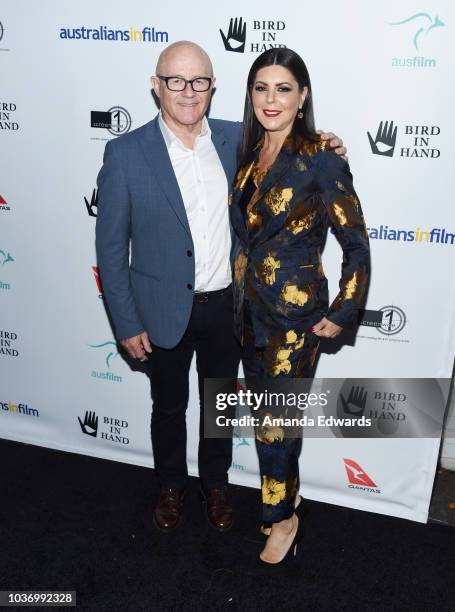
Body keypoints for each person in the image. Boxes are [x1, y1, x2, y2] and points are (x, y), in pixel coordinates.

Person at [95, 40, 347, 534]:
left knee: (218, 408)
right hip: (161, 310)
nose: (188, 92)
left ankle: (216, 485)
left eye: (199, 81)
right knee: (168, 407)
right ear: (156, 85)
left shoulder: (240, 142)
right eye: (176, 81)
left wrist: (328, 146)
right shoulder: (124, 154)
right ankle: (171, 485)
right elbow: (109, 250)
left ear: (213, 87)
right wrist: (126, 321)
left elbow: (293, 148)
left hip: (230, 308)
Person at [230, 48, 370, 564]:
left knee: (276, 423)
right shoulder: (246, 154)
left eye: (283, 88)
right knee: (266, 418)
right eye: (262, 88)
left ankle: (281, 519)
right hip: (247, 314)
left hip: (296, 320)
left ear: (302, 96)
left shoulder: (321, 156)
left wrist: (344, 309)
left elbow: (355, 242)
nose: (271, 99)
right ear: (251, 95)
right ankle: (287, 498)